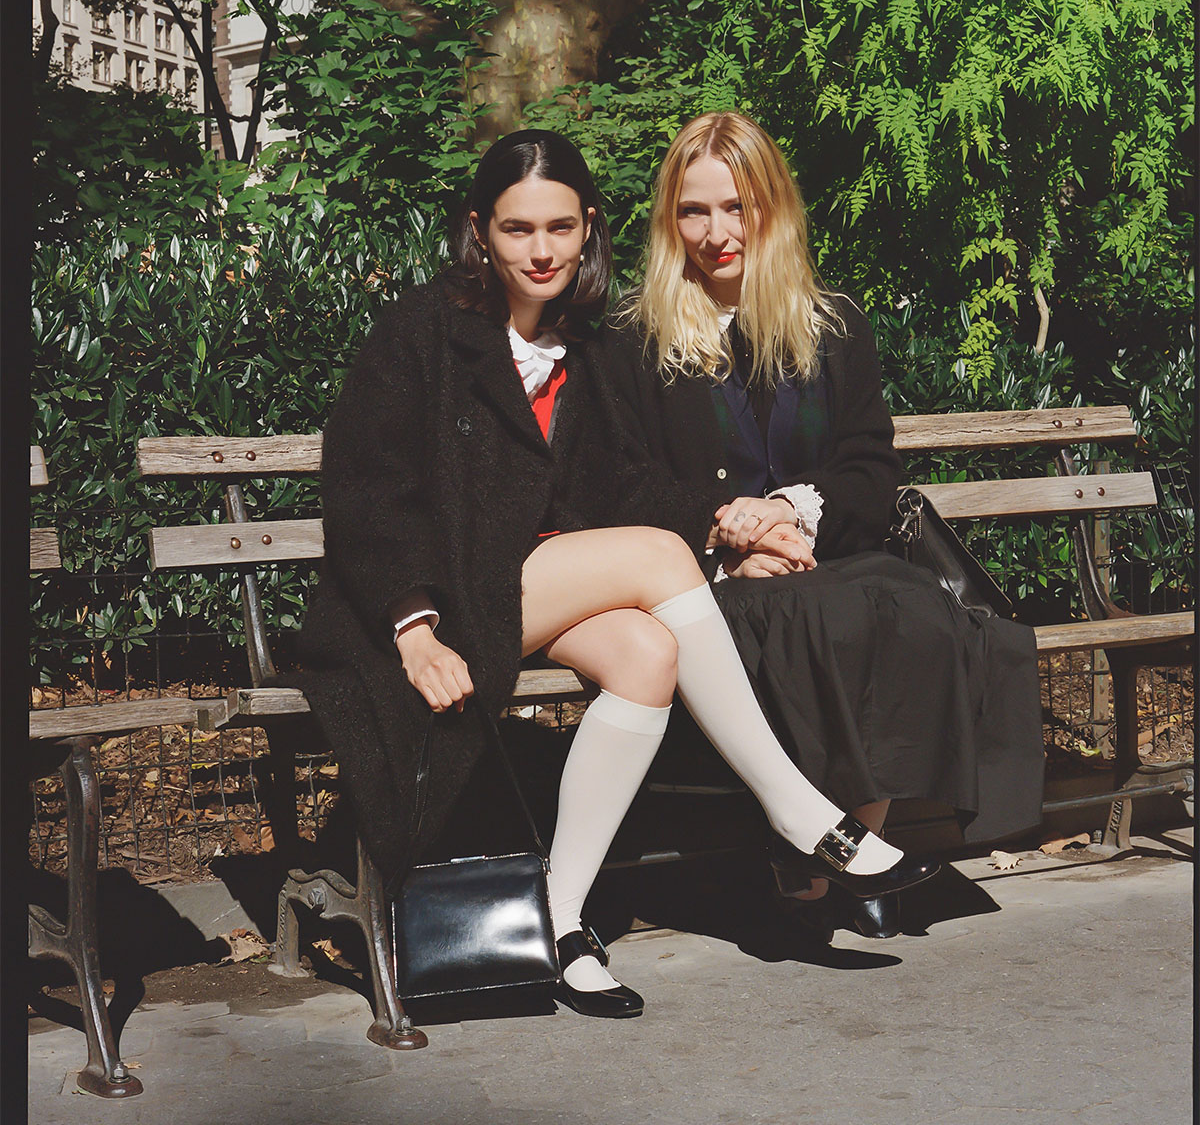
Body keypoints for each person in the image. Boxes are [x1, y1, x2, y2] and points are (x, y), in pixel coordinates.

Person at [295, 129, 939, 1020]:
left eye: (561, 227)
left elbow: (621, 484)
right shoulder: (424, 333)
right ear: (479, 230)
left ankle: (557, 924)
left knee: (646, 652)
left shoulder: (582, 345)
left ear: (589, 227)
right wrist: (413, 627)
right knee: (655, 556)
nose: (542, 250)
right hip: (434, 599)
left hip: (532, 585)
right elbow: (367, 491)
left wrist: (729, 535)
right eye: (518, 229)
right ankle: (798, 811)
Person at [601, 111, 1044, 940]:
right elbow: (621, 482)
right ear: (670, 221)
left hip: (826, 555)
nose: (716, 232)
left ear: (773, 207)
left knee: (913, 607)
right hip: (707, 581)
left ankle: (846, 844)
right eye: (694, 212)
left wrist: (790, 515)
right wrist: (726, 538)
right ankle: (829, 853)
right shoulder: (636, 337)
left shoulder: (831, 324)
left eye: (737, 207)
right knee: (832, 617)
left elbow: (871, 469)